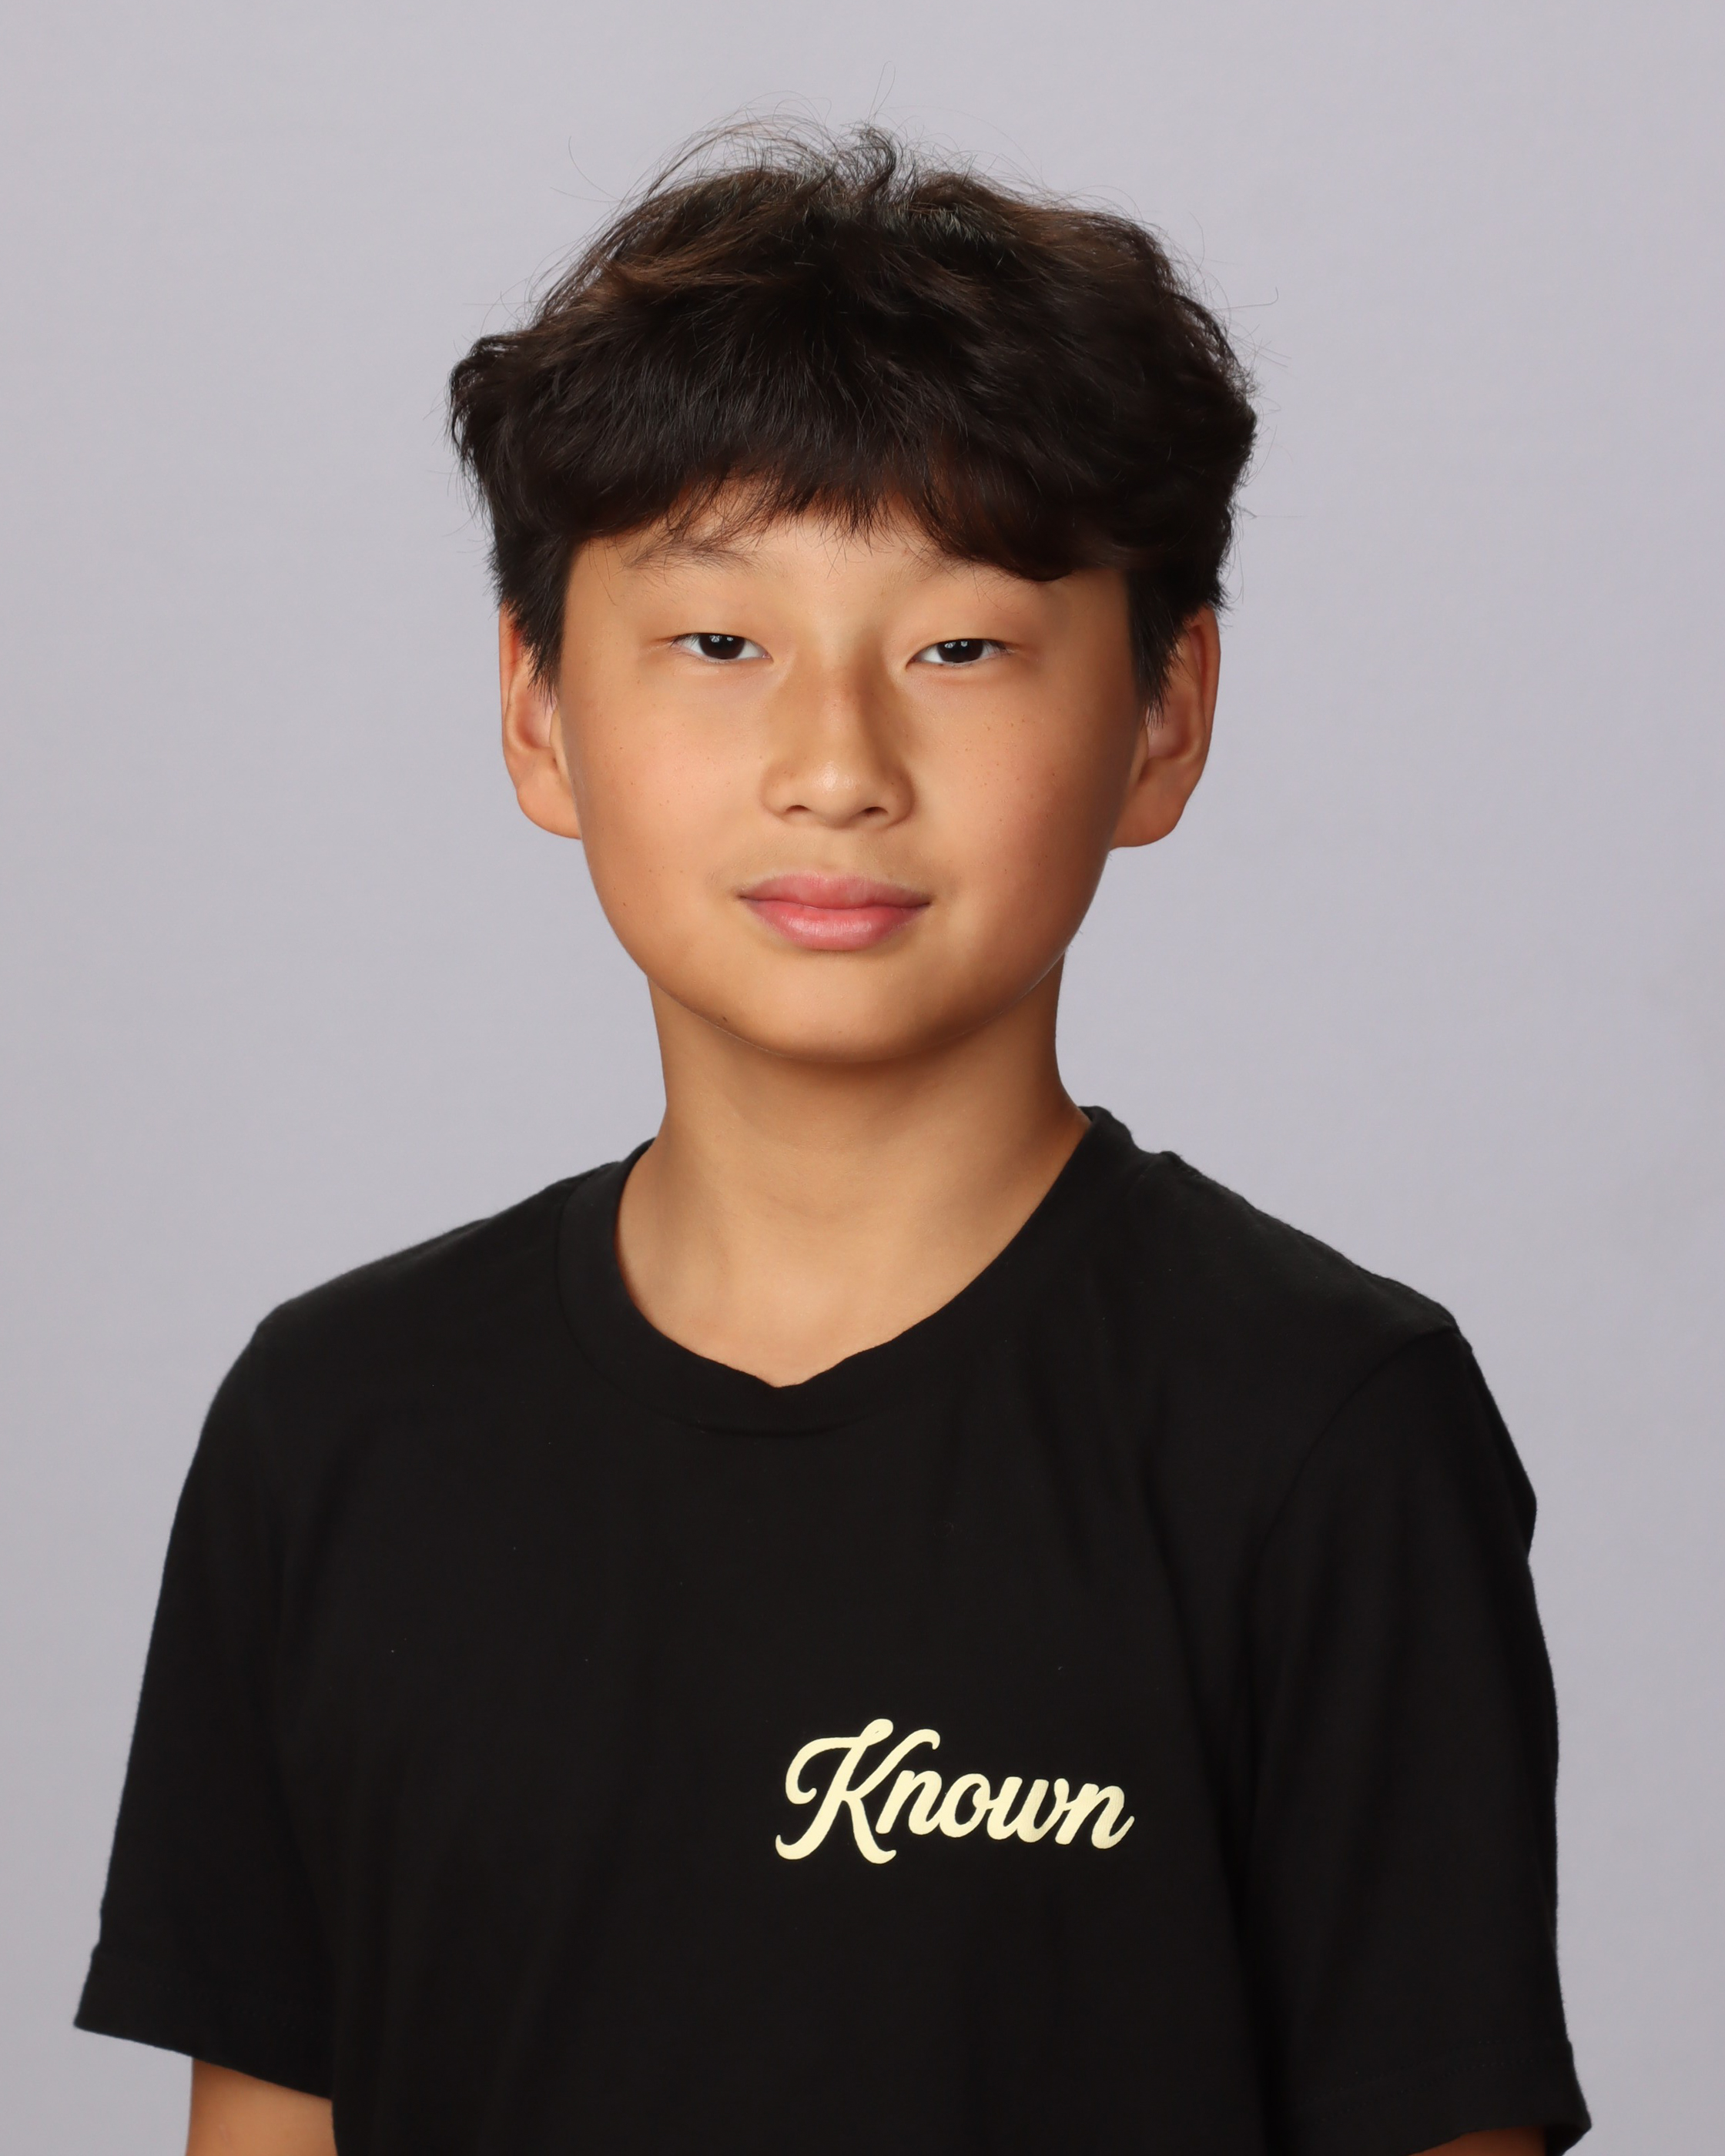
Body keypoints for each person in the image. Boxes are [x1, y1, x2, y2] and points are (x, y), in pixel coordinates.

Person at [75, 126, 1589, 2156]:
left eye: (960, 648)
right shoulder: (335, 1428)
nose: (836, 766)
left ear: (1163, 715)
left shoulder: (1320, 1431)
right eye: (721, 644)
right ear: (538, 708)